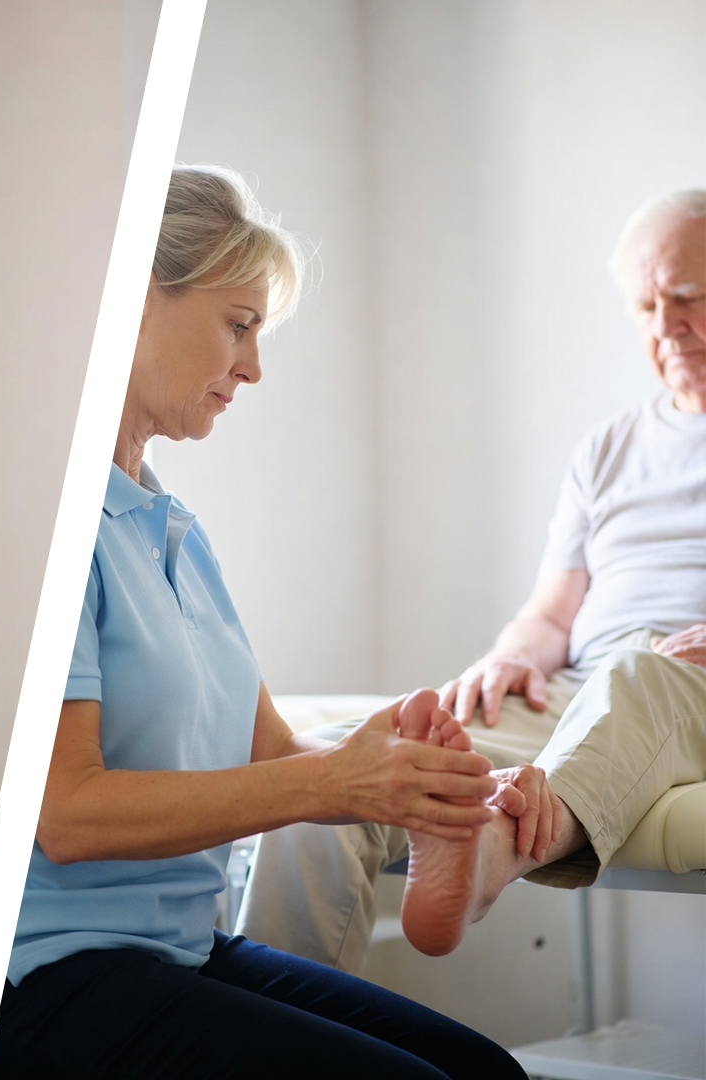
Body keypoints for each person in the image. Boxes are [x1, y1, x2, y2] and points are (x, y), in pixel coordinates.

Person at [0, 165, 525, 1080]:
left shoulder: (173, 533)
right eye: (238, 326)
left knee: (490, 1076)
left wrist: (414, 769)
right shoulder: (59, 525)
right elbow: (67, 816)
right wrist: (337, 789)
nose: (253, 366)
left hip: (180, 951)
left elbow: (269, 752)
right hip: (46, 976)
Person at [238, 188, 706, 969]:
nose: (666, 326)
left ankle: (492, 847)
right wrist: (512, 655)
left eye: (688, 297)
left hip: (688, 689)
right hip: (587, 688)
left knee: (639, 673)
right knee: (336, 769)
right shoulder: (609, 448)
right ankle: (262, 1034)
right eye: (647, 305)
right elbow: (552, 614)